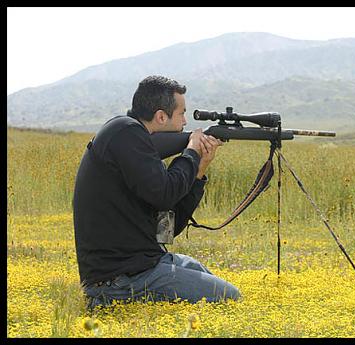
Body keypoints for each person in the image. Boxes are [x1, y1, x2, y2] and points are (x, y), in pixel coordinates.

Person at [73, 75, 241, 310]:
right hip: (118, 280)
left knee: (195, 268)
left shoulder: (139, 150)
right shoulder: (124, 131)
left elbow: (166, 230)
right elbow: (165, 194)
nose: (185, 122)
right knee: (228, 297)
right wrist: (191, 151)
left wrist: (199, 169)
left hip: (143, 266)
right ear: (161, 116)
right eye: (182, 114)